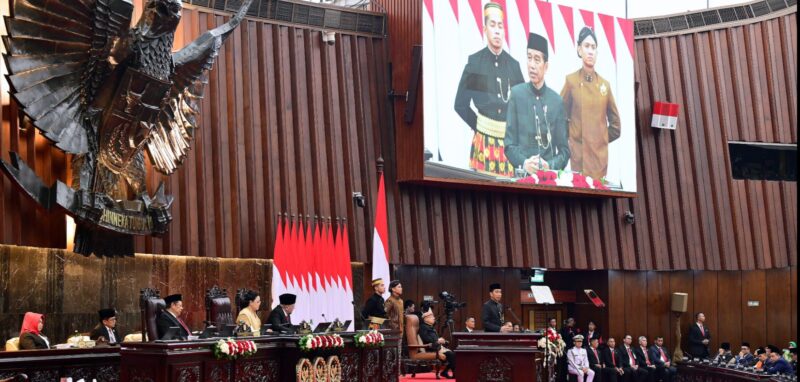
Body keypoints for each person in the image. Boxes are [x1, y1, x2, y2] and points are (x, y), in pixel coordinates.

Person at [453, 1, 525, 177]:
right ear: (485, 29)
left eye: (500, 26)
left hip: (508, 146)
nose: (497, 30)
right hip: (483, 141)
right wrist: (478, 125)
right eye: (492, 25)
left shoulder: (513, 65)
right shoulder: (475, 63)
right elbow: (460, 104)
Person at [559, 26, 621, 180]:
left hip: (599, 162)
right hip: (578, 159)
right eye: (586, 46)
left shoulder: (604, 86)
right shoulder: (571, 81)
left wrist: (600, 139)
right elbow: (558, 116)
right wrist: (573, 138)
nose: (590, 51)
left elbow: (616, 127)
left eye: (593, 47)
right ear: (579, 50)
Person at [504, 32, 570, 175]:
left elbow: (564, 151)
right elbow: (509, 145)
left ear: (546, 66)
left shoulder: (556, 101)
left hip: (549, 183)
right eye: (529, 58)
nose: (532, 65)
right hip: (522, 181)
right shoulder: (516, 94)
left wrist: (550, 166)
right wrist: (524, 163)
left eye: (537, 60)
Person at [419, 309, 456, 379]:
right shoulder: (423, 327)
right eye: (432, 317)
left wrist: (442, 341)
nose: (434, 318)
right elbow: (425, 339)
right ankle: (453, 373)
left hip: (437, 347)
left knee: (454, 354)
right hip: (431, 348)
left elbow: (434, 338)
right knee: (451, 354)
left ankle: (447, 372)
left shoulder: (430, 327)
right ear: (426, 319)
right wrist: (438, 340)